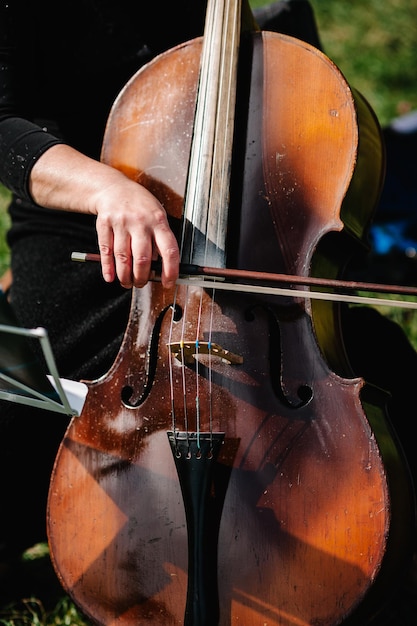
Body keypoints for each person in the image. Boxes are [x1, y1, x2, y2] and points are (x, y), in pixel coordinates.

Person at [0, 0, 415, 622]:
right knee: (55, 406)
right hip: (95, 245)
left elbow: (305, 117)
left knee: (389, 371)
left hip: (255, 257)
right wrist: (107, 188)